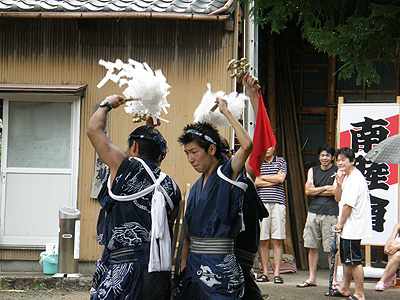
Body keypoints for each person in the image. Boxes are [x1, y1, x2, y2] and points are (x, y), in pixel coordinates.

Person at [87, 94, 182, 300]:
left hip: (124, 271)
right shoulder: (172, 187)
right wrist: (150, 134)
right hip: (158, 271)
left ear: (135, 147)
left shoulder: (125, 167)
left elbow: (94, 129)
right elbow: (169, 231)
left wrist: (107, 105)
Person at [174, 96, 253, 300]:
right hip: (193, 267)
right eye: (187, 153)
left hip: (220, 266)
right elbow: (187, 235)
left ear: (211, 149)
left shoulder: (227, 173)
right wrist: (183, 267)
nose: (190, 159)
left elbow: (247, 146)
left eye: (194, 152)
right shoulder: (195, 189)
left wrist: (225, 111)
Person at [219, 73, 269, 300]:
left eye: (227, 154)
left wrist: (253, 95)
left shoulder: (242, 175)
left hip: (242, 260)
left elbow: (259, 141)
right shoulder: (206, 183)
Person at [296, 144, 339, 289]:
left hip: (330, 212)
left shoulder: (337, 171)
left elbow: (334, 191)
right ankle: (311, 278)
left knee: (331, 248)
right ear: (319, 157)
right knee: (312, 246)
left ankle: (333, 280)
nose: (324, 158)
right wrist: (325, 188)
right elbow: (308, 192)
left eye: (327, 155)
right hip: (313, 211)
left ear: (332, 157)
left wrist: (316, 189)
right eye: (322, 155)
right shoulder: (312, 170)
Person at [332, 147, 372, 300]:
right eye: (338, 160)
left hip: (352, 225)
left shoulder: (356, 179)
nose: (340, 162)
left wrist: (340, 223)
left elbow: (349, 205)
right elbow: (338, 199)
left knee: (354, 260)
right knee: (347, 259)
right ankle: (344, 288)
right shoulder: (347, 177)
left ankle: (360, 293)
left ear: (352, 161)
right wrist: (339, 185)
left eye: (343, 160)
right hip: (348, 226)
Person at [255, 146, 287, 284]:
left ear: (274, 147)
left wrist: (263, 178)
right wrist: (272, 179)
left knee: (277, 239)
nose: (267, 149)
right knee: (263, 240)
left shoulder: (281, 161)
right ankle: (265, 273)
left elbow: (281, 179)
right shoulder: (257, 162)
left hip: (278, 203)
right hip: (262, 204)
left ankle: (277, 273)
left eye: (270, 146)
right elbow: (255, 182)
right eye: (265, 146)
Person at [374, 222, 400, 291]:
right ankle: (388, 276)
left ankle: (383, 279)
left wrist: (397, 246)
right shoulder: (398, 225)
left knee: (396, 249)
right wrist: (387, 245)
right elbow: (392, 237)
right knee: (395, 249)